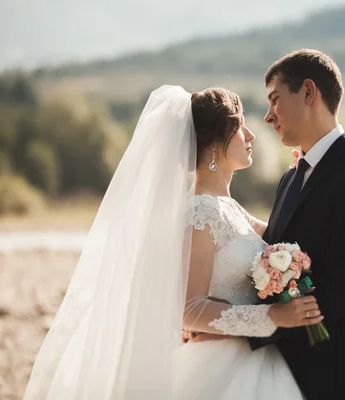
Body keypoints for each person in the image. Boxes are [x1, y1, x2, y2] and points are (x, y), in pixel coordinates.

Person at [22, 85, 321, 399]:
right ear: (213, 145)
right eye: (239, 125)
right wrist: (272, 317)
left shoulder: (228, 207)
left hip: (254, 358)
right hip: (220, 367)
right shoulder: (201, 212)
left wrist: (299, 176)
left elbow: (279, 233)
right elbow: (189, 309)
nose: (251, 135)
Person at [193, 49, 345, 399]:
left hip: (342, 374)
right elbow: (269, 258)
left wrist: (242, 329)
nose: (268, 117)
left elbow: (338, 293)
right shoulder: (292, 178)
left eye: (274, 100)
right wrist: (225, 321)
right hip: (288, 371)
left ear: (308, 92)